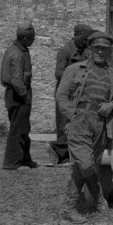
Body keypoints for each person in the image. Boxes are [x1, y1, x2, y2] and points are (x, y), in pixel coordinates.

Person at [55, 31, 113, 223]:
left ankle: (69, 208)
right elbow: (61, 95)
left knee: (82, 166)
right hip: (79, 121)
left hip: (101, 125)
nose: (99, 52)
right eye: (96, 48)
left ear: (109, 52)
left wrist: (112, 105)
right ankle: (97, 196)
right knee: (87, 164)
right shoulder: (74, 69)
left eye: (104, 49)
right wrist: (73, 116)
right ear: (90, 49)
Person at [48, 23, 95, 165]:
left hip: (78, 94)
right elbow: (58, 73)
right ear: (77, 37)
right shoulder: (64, 51)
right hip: (66, 92)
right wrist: (75, 75)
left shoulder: (85, 50)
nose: (87, 42)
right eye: (85, 39)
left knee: (74, 124)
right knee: (63, 124)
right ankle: (60, 154)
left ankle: (68, 154)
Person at [0, 21, 38, 170]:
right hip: (18, 95)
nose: (34, 40)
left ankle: (25, 160)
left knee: (23, 127)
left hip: (17, 94)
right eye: (32, 38)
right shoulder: (17, 54)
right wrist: (25, 95)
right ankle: (12, 162)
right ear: (24, 39)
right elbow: (17, 80)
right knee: (17, 129)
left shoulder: (17, 50)